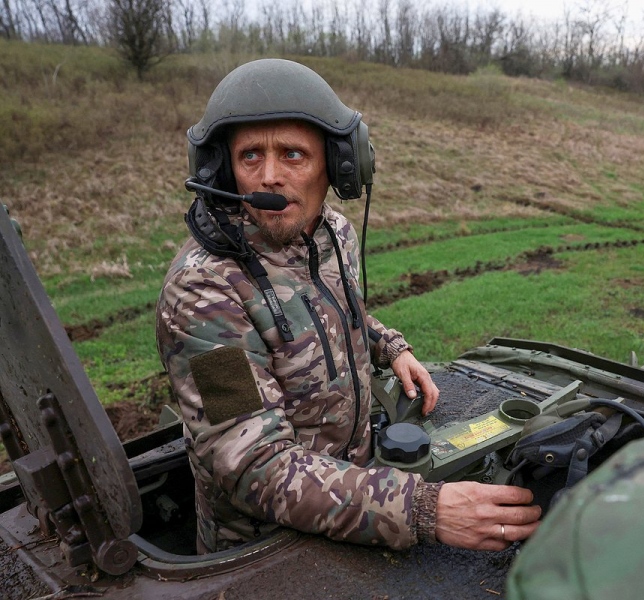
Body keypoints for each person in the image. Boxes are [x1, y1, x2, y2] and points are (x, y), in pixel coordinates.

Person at [156, 58, 541, 554]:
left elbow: (337, 311)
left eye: (293, 154)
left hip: (353, 499)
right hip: (265, 551)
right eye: (250, 155)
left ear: (338, 166)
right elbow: (252, 463)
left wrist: (391, 347)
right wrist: (421, 508)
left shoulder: (332, 234)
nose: (269, 176)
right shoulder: (201, 295)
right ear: (220, 168)